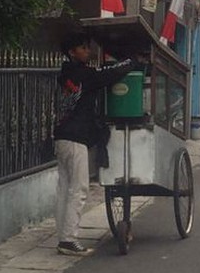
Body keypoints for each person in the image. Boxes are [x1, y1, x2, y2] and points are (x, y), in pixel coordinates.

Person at [54, 32, 138, 256]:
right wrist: (132, 61)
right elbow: (111, 73)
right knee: (78, 189)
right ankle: (68, 240)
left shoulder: (66, 74)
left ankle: (62, 236)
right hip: (75, 139)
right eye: (83, 48)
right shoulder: (84, 74)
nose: (88, 51)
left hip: (62, 137)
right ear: (72, 52)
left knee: (64, 188)